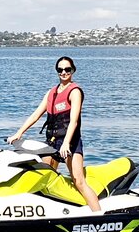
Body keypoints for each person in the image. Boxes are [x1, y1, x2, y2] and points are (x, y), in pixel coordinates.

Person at [7, 56, 101, 211]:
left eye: (67, 69)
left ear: (73, 70)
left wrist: (66, 143)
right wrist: (19, 133)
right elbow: (36, 115)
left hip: (70, 142)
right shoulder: (51, 93)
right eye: (60, 70)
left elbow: (74, 121)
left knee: (79, 181)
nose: (63, 72)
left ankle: (99, 216)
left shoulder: (75, 92)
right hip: (52, 143)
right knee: (43, 177)